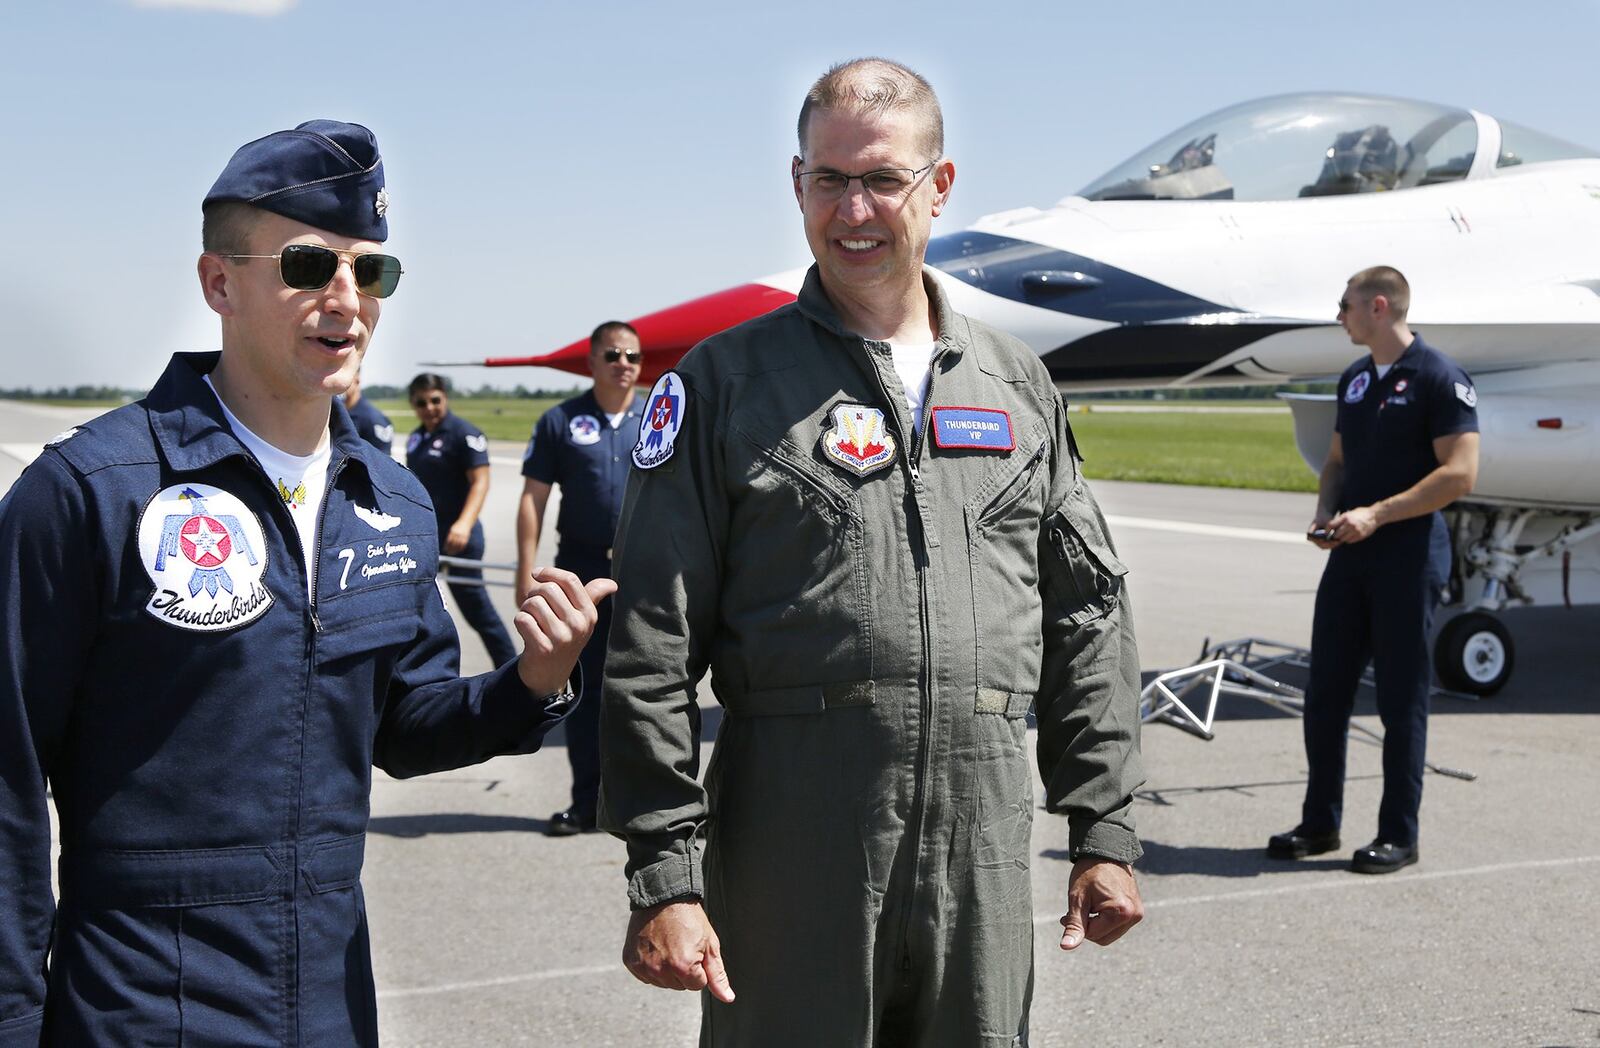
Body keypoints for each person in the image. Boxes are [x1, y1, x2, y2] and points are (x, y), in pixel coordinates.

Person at [0, 119, 614, 1046]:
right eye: (305, 267)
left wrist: (530, 684)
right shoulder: (91, 493)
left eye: (371, 273)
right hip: (138, 1006)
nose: (346, 299)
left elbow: (402, 727)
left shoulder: (392, 502)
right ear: (219, 284)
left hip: (328, 999)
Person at [600, 59, 1145, 1046]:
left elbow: (1086, 616)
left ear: (937, 186)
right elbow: (650, 638)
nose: (853, 208)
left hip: (978, 846)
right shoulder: (726, 383)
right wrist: (664, 871)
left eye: (882, 179)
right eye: (828, 179)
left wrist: (1100, 828)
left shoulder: (1015, 383)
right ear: (796, 183)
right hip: (791, 848)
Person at [1269, 266, 1479, 874]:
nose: (1340, 314)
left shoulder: (1439, 377)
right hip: (1351, 554)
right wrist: (1325, 512)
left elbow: (1460, 474)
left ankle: (1398, 834)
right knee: (1326, 694)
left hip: (1408, 557)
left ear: (1379, 307)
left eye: (1346, 305)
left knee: (1399, 701)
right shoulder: (1356, 379)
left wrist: (1378, 515)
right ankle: (1320, 824)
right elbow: (1336, 459)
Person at [517, 321, 645, 836]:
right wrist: (528, 573)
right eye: (612, 354)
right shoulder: (561, 422)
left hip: (644, 571)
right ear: (592, 362)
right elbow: (533, 499)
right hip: (581, 570)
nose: (624, 364)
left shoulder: (662, 418)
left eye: (633, 356)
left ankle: (650, 807)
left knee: (650, 689)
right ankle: (587, 802)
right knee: (584, 691)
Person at [405, 373, 517, 668]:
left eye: (435, 400)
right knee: (420, 611)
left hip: (459, 539)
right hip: (428, 538)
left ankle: (510, 671)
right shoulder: (417, 438)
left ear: (445, 397)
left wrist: (464, 524)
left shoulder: (464, 433)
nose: (429, 407)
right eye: (421, 402)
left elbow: (481, 481)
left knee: (478, 612)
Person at [343, 367, 395, 455]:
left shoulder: (374, 419)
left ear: (357, 380)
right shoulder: (334, 412)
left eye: (343, 377)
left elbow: (381, 462)